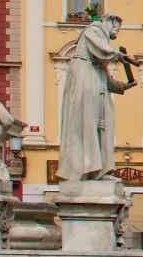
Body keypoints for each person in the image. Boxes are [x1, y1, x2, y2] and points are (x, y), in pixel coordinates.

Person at [58, 13, 137, 181]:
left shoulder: (97, 60)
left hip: (93, 78)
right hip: (84, 79)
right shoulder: (94, 29)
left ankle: (100, 169)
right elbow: (99, 45)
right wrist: (116, 54)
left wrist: (121, 86)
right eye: (116, 28)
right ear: (108, 22)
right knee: (88, 120)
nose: (116, 33)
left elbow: (105, 75)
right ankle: (88, 168)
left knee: (106, 118)